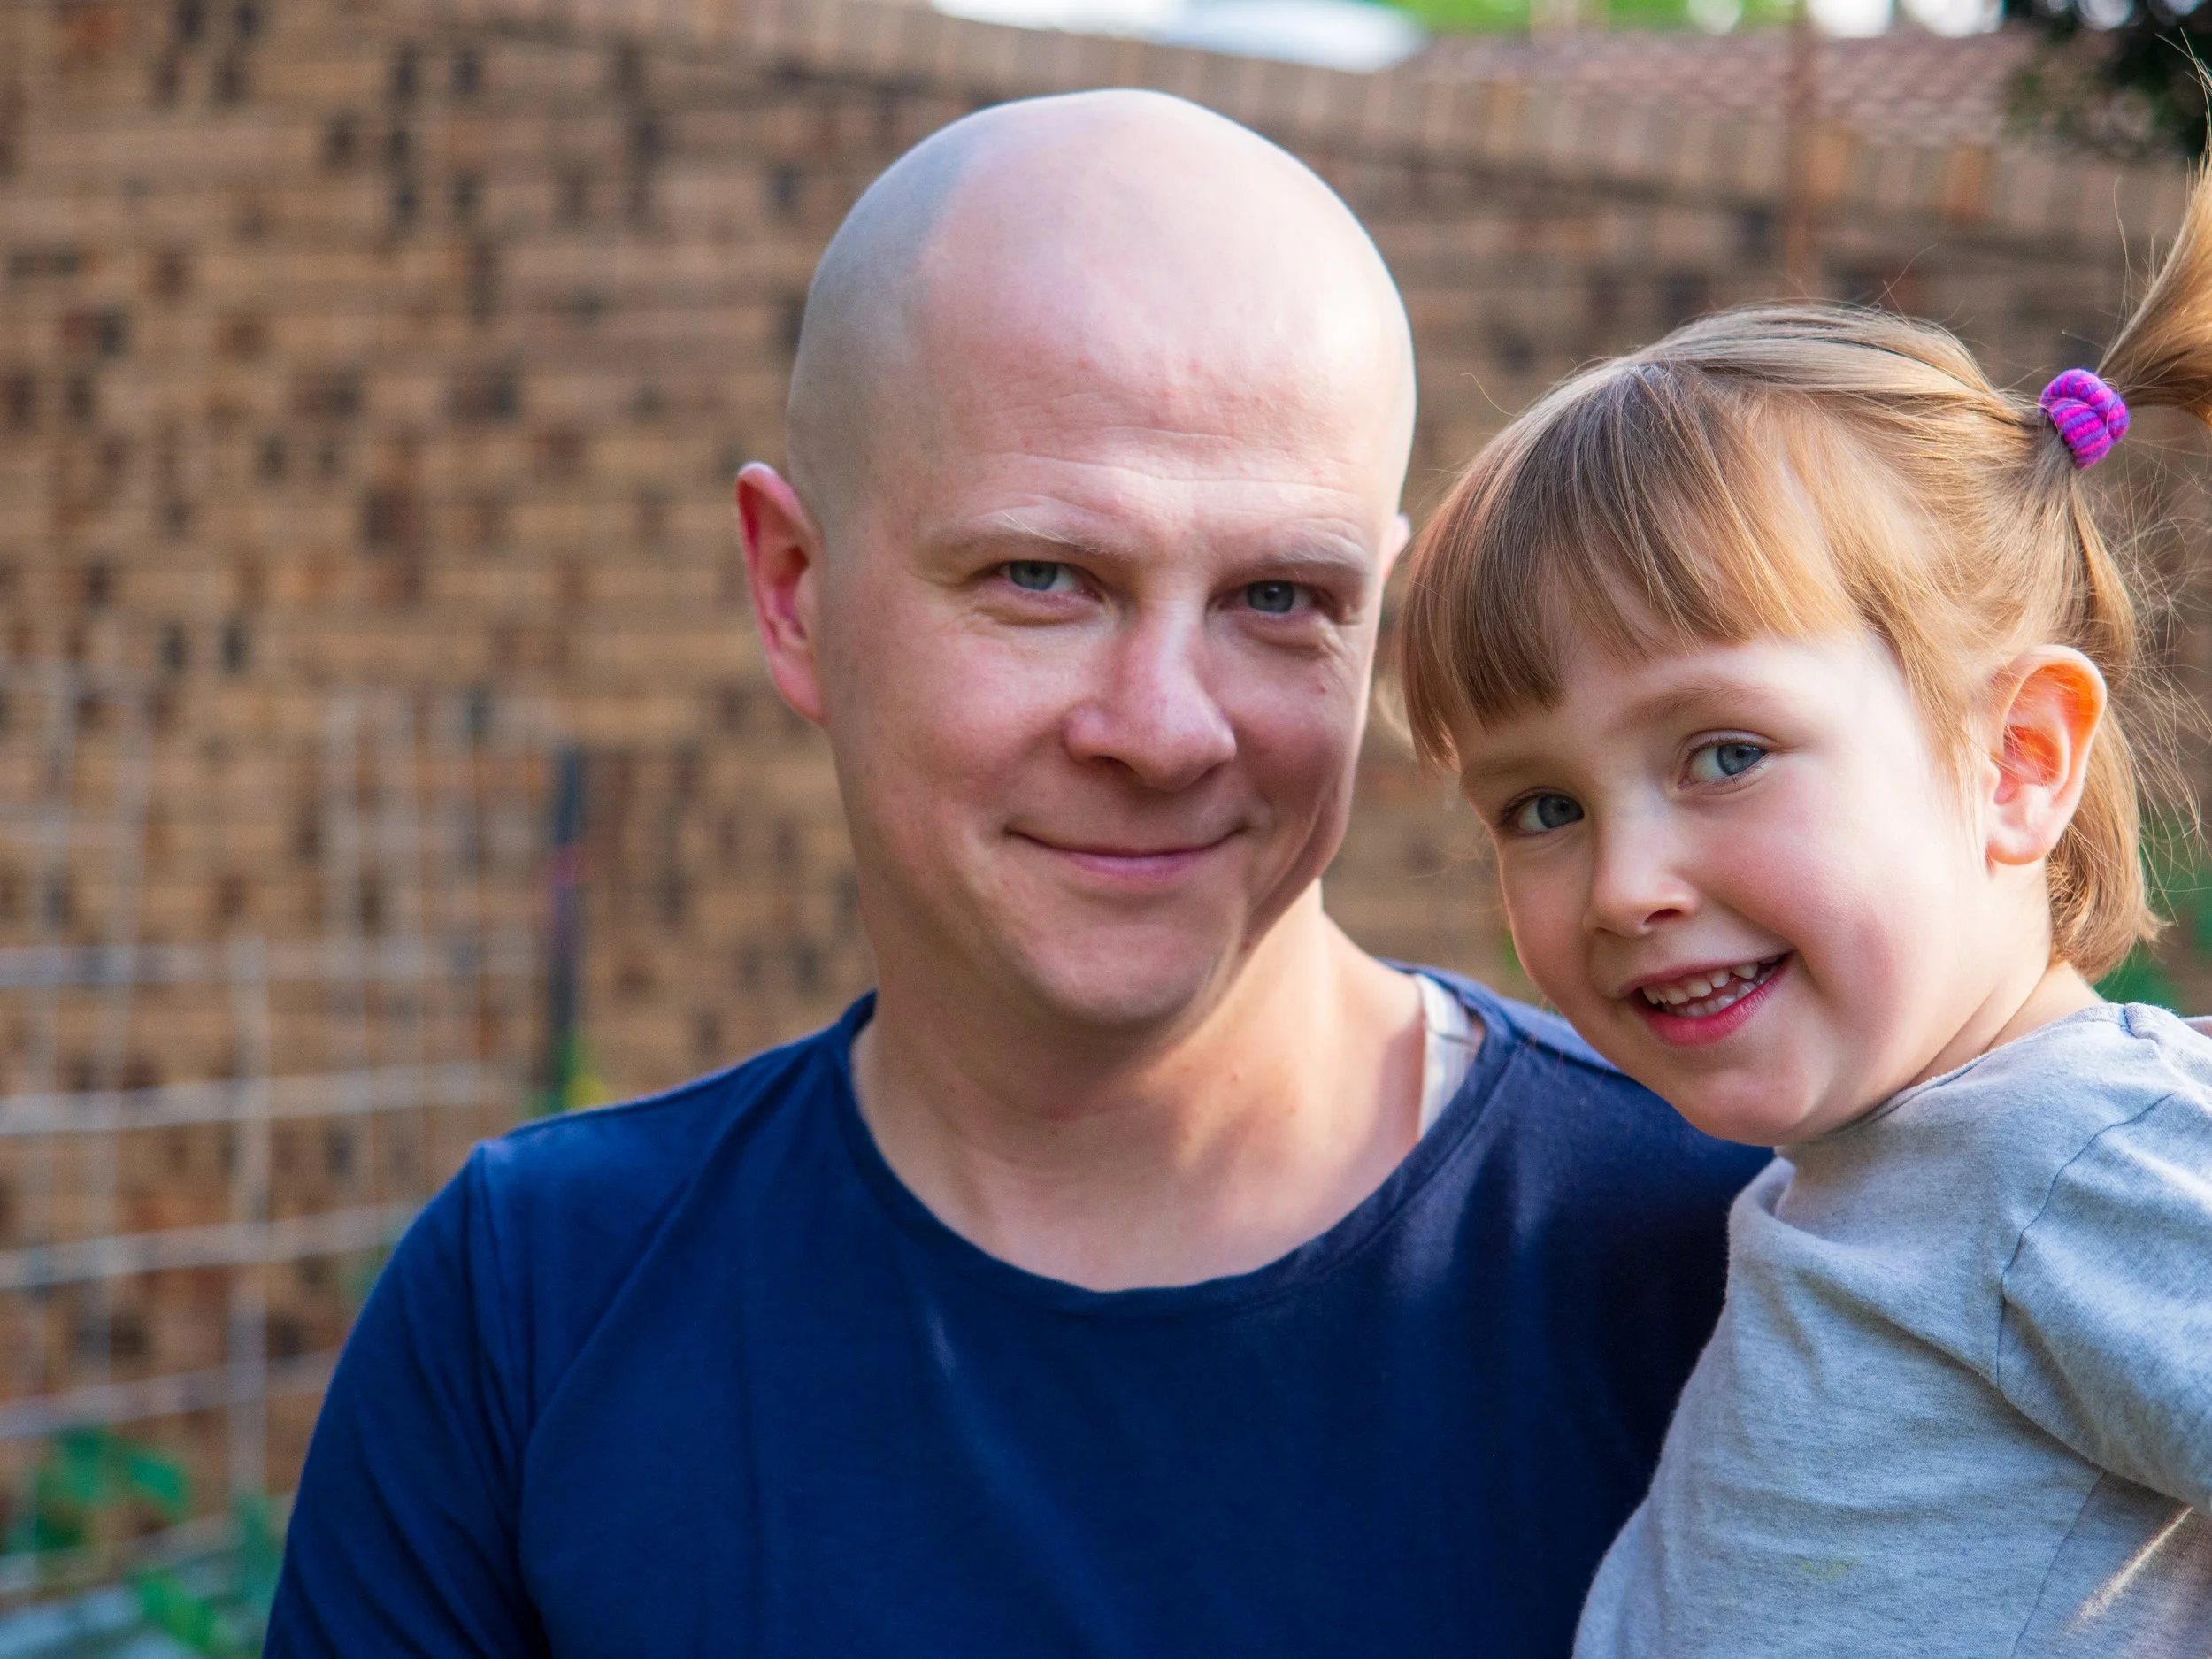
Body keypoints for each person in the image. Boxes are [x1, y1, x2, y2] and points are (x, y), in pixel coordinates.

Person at [265, 90, 1761, 1656]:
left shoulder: (1721, 1252)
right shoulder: (534, 1307)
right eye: (1042, 576)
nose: (1165, 728)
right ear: (794, 591)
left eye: (1277, 596)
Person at [1396, 171, 2212, 1655]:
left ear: (2016, 761)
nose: (1627, 881)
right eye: (1542, 807)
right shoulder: (1870, 1172)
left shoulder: (2079, 1163)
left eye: (1723, 754)